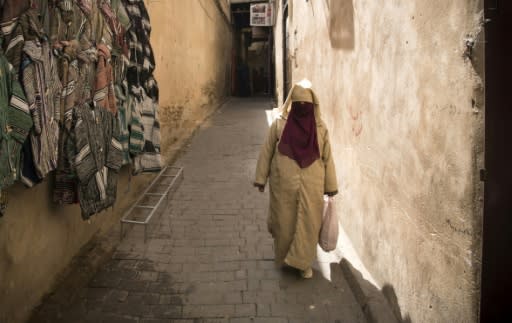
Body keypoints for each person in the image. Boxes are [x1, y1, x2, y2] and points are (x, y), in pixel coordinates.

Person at [254, 81, 338, 279]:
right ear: (292, 104)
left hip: (312, 186)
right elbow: (266, 151)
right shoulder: (279, 125)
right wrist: (260, 178)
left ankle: (304, 264)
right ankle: (285, 258)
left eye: (306, 106)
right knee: (284, 223)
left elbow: (327, 157)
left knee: (309, 224)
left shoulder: (320, 128)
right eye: (298, 104)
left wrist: (331, 186)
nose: (302, 109)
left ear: (312, 107)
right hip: (284, 186)